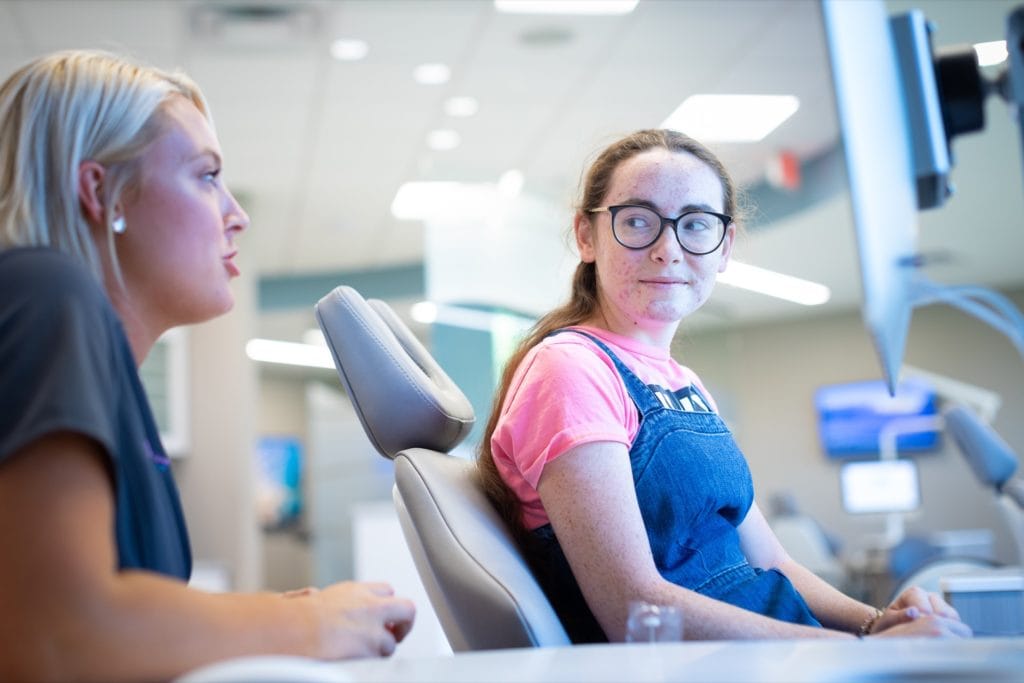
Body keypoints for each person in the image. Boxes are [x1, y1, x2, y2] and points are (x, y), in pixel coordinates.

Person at [0, 50, 414, 682]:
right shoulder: (45, 291)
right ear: (99, 191)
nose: (236, 214)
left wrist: (268, 618)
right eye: (205, 176)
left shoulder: (110, 375)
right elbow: (57, 633)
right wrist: (309, 626)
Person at [476, 129, 971, 643]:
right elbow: (634, 607)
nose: (667, 250)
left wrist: (876, 622)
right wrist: (861, 653)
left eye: (695, 225)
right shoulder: (570, 369)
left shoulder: (684, 383)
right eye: (638, 221)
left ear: (724, 247)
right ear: (586, 236)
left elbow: (772, 561)